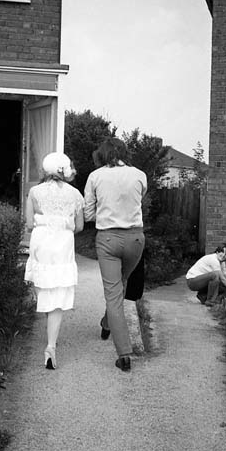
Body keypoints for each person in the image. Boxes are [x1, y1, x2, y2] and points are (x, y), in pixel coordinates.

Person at [84, 138, 147, 372]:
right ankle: (107, 323)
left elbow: (89, 214)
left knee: (113, 294)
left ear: (102, 154)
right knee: (120, 284)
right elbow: (139, 199)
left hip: (108, 239)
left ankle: (123, 354)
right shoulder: (139, 174)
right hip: (135, 239)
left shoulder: (95, 176)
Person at [24, 152, 84, 369]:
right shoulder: (75, 194)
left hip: (42, 243)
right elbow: (79, 226)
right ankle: (51, 345)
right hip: (63, 245)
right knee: (58, 295)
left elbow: (29, 224)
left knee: (45, 289)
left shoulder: (35, 192)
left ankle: (50, 330)